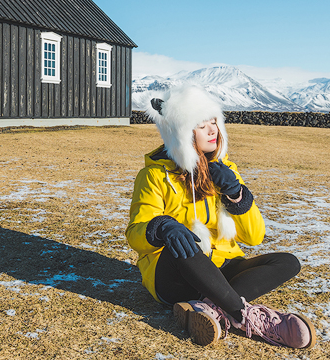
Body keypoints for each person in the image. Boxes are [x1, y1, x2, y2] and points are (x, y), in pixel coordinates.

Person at [126, 85, 317, 348]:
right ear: (181, 133)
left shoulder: (227, 172)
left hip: (222, 269)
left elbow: (254, 236)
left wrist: (237, 195)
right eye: (201, 125)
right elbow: (135, 234)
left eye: (214, 121)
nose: (212, 130)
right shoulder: (154, 176)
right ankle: (250, 319)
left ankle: (210, 311)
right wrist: (162, 227)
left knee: (288, 262)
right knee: (183, 243)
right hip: (174, 274)